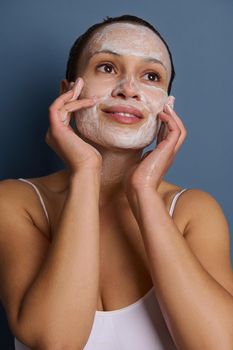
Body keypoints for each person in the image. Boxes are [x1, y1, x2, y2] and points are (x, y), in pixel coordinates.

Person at [0, 14, 233, 350]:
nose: (129, 89)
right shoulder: (16, 202)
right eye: (107, 68)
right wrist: (85, 170)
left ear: (167, 106)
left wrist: (144, 191)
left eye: (151, 76)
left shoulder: (192, 211)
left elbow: (219, 345)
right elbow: (55, 341)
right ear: (68, 91)